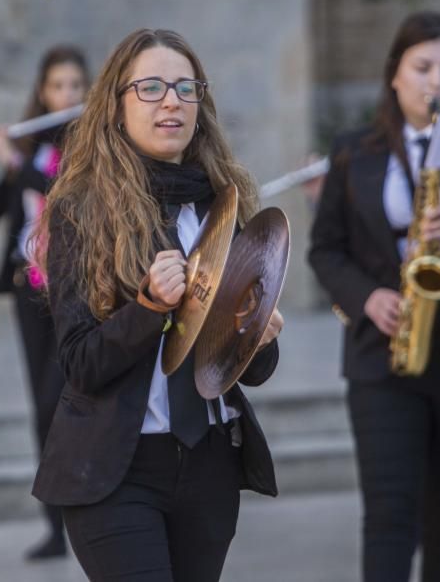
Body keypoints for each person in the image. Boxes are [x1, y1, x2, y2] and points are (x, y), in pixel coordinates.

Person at [29, 28, 283, 581]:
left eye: (185, 88)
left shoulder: (223, 204)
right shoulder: (81, 209)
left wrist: (258, 334)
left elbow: (252, 370)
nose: (171, 100)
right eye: (150, 87)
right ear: (117, 106)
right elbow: (79, 363)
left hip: (210, 462)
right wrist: (148, 308)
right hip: (116, 470)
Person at [308, 11, 440, 581]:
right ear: (395, 72)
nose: (435, 82)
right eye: (422, 67)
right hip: (383, 352)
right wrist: (368, 297)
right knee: (389, 515)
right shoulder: (355, 150)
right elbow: (327, 250)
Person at [0, 45, 88, 560]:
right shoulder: (29, 144)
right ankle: (54, 526)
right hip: (27, 286)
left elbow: (66, 198)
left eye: (75, 86)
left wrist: (10, 157)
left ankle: (81, 512)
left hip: (70, 288)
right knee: (40, 408)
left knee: (62, 398)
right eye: (58, 86)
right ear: (43, 91)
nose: (66, 95)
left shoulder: (88, 147)